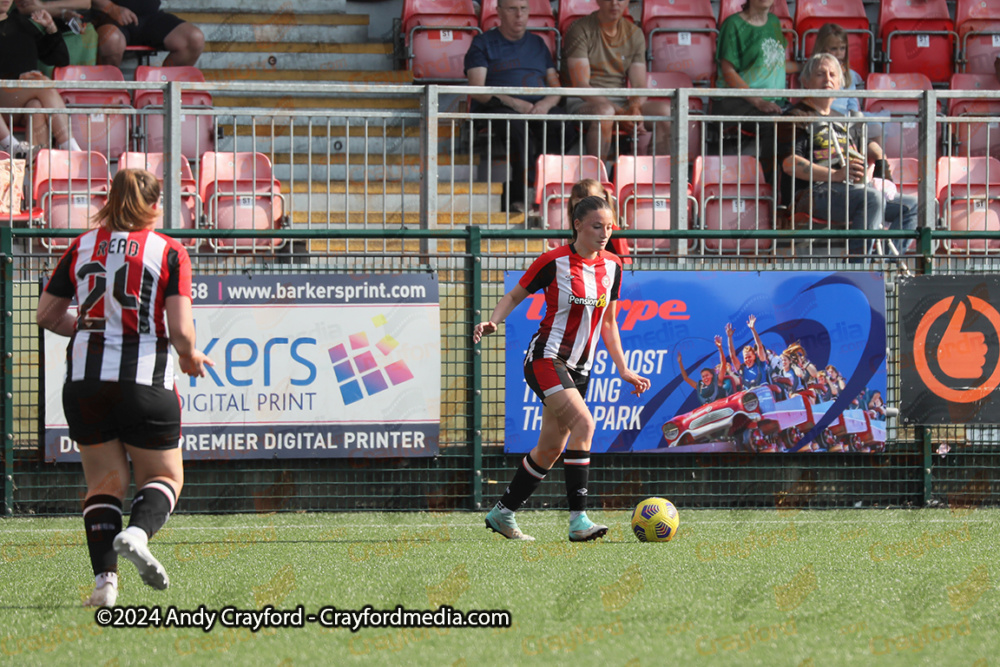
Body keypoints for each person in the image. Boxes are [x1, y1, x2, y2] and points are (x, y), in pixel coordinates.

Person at [36, 168, 213, 607]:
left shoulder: (81, 245)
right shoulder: (169, 251)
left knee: (104, 483)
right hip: (144, 383)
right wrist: (190, 357)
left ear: (109, 200)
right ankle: (136, 533)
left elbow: (46, 315)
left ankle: (104, 588)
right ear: (156, 205)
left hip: (84, 382)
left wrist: (93, 331)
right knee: (164, 476)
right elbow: (180, 332)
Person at [472, 195, 650, 541]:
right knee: (585, 423)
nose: (604, 233)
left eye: (610, 227)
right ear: (577, 225)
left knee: (551, 448)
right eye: (597, 226)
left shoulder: (613, 265)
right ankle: (578, 520)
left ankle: (502, 513)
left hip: (580, 369)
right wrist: (494, 321)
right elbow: (513, 295)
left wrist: (624, 369)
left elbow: (609, 323)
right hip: (546, 358)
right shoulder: (553, 261)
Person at [779, 53, 919, 258]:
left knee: (912, 206)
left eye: (832, 75)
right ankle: (858, 268)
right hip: (812, 193)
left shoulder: (843, 120)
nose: (827, 79)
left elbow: (862, 148)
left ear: (839, 85)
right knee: (872, 199)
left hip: (849, 192)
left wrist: (877, 153)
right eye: (820, 74)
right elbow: (790, 163)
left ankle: (885, 266)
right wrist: (835, 175)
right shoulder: (796, 116)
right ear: (806, 83)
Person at [464, 0, 576, 213]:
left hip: (537, 106)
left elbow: (556, 87)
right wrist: (517, 104)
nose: (519, 15)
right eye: (512, 9)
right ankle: (520, 196)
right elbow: (477, 89)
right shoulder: (482, 43)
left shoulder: (538, 44)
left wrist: (545, 103)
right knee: (517, 127)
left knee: (563, 124)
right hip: (498, 106)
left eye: (523, 9)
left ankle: (542, 189)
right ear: (498, 12)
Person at [562, 0, 671, 160]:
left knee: (665, 112)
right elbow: (581, 85)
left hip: (620, 103)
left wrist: (634, 108)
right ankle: (596, 181)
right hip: (582, 102)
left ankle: (654, 179)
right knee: (606, 112)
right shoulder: (580, 29)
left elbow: (639, 85)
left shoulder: (634, 34)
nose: (614, 3)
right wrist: (621, 113)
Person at [714, 0, 797, 163]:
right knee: (771, 124)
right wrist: (758, 101)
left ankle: (794, 182)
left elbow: (775, 63)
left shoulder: (774, 22)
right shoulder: (733, 24)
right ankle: (769, 182)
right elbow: (728, 72)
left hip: (773, 102)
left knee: (804, 121)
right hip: (735, 101)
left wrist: (811, 66)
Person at [0, 0, 80, 153]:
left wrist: (51, 28)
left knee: (36, 107)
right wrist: (17, 77)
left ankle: (36, 167)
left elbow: (60, 60)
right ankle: (72, 150)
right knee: (42, 83)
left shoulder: (22, 24)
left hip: (20, 101)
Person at [91, 0, 204, 67]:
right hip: (111, 17)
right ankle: (109, 95)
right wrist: (112, 8)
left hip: (151, 18)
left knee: (194, 39)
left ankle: (161, 92)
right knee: (111, 40)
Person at [567, 178, 630, 261]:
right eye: (577, 198)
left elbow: (627, 264)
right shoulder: (573, 230)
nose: (582, 203)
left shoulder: (615, 233)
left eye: (588, 199)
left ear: (603, 200)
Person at [811, 23, 862, 116]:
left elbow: (852, 101)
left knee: (876, 127)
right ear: (822, 49)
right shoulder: (814, 73)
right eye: (834, 49)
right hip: (823, 116)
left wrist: (855, 115)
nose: (839, 53)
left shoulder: (848, 74)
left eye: (842, 48)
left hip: (845, 117)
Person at [678, 335, 732, 405]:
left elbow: (723, 364)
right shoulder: (700, 387)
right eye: (703, 376)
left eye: (707, 375)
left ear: (712, 375)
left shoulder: (718, 381)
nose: (705, 378)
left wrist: (720, 348)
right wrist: (680, 362)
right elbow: (685, 378)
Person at [726, 315, 771, 389]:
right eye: (745, 358)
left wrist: (753, 329)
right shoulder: (742, 370)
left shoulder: (761, 364)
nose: (747, 359)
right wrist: (729, 338)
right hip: (750, 397)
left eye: (749, 357)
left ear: (754, 356)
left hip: (764, 392)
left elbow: (759, 346)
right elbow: (732, 356)